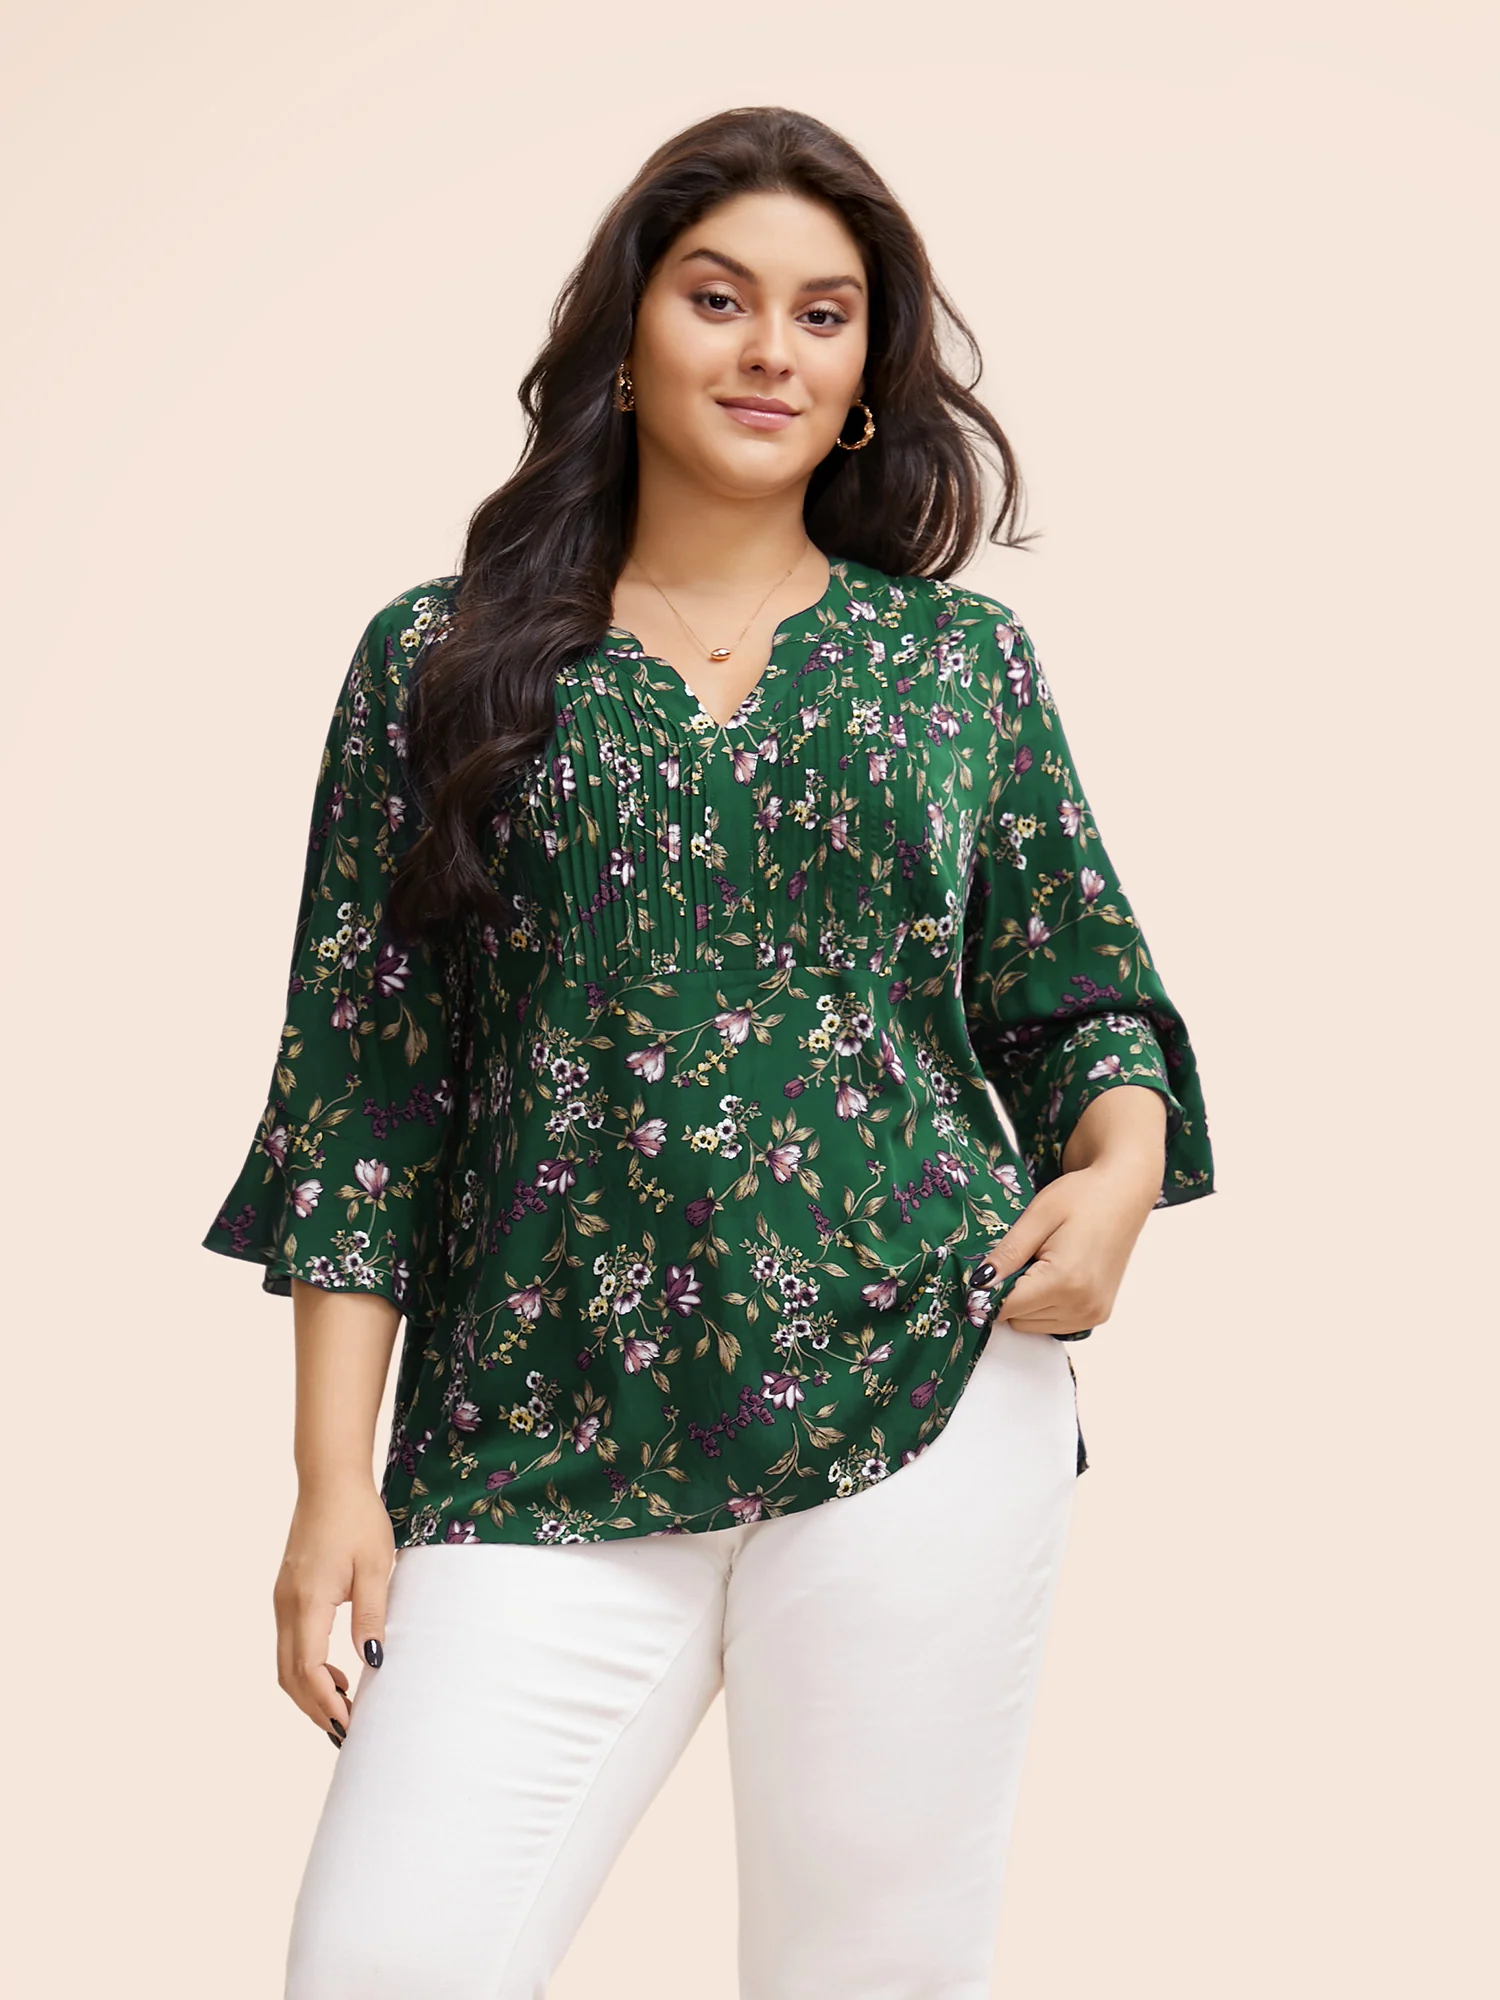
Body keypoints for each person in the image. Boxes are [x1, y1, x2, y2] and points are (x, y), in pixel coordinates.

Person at [203, 105, 1215, 2000]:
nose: (772, 350)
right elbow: (363, 1090)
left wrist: (1122, 1171)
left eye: (824, 315)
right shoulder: (440, 661)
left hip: (922, 1385)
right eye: (719, 297)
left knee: (866, 1975)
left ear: (868, 373)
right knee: (385, 1964)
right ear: (626, 336)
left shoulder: (957, 665)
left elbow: (1081, 990)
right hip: (537, 1419)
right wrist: (332, 1480)